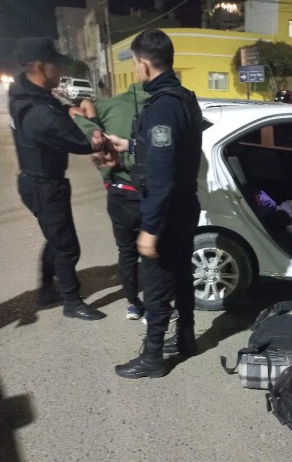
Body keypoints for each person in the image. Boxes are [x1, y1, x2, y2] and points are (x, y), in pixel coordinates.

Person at [108, 29, 203, 379]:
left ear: (144, 65)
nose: (136, 70)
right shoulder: (184, 98)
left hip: (167, 213)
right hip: (184, 205)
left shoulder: (162, 107)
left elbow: (161, 173)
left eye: (135, 64)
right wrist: (130, 145)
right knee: (181, 275)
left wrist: (149, 228)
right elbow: (173, 148)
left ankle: (152, 358)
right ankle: (187, 338)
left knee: (158, 285)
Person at [9, 37, 114, 320]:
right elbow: (83, 142)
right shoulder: (38, 113)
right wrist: (93, 122)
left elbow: (56, 109)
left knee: (55, 238)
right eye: (56, 64)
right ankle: (72, 301)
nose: (60, 70)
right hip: (45, 185)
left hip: (36, 181)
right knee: (66, 246)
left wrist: (68, 108)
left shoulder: (26, 94)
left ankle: (46, 290)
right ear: (41, 67)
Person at [72, 83, 150, 320]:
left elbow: (76, 110)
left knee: (126, 253)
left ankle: (133, 304)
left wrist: (92, 129)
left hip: (118, 192)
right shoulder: (162, 108)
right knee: (151, 253)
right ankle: (154, 307)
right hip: (148, 194)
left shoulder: (109, 105)